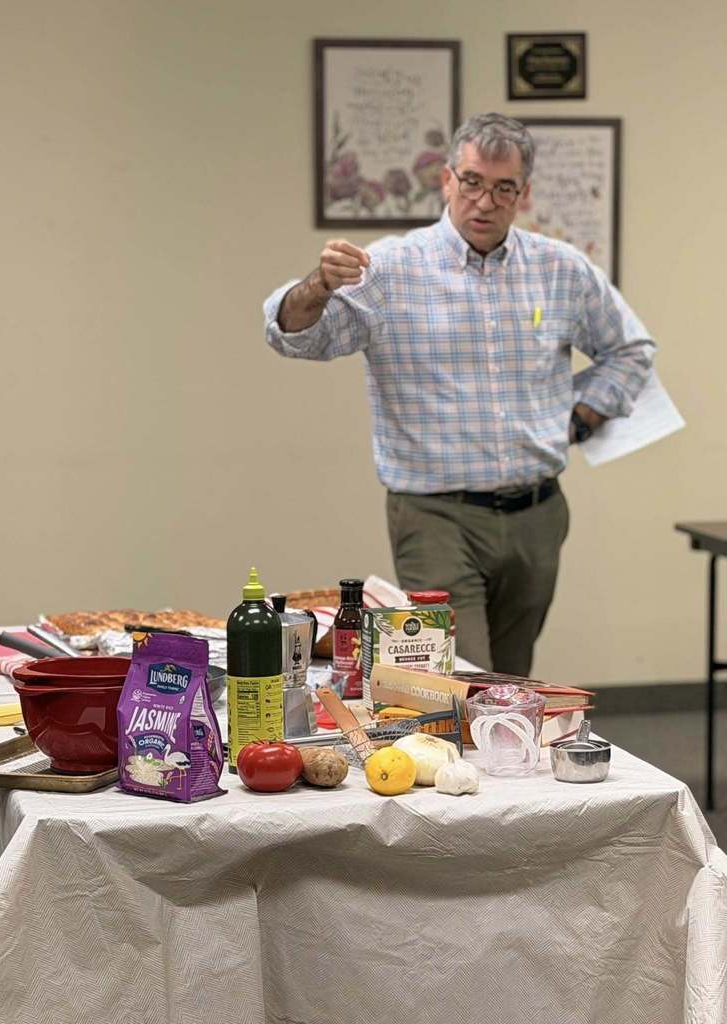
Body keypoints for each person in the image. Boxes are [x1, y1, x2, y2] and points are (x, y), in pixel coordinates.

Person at [263, 113, 655, 676]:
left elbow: (631, 349)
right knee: (464, 678)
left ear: (524, 195)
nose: (485, 201)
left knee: (515, 683)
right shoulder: (392, 269)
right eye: (472, 181)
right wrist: (319, 285)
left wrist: (578, 417)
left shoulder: (561, 270)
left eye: (503, 188)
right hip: (435, 516)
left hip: (537, 512)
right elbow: (293, 337)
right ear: (447, 180)